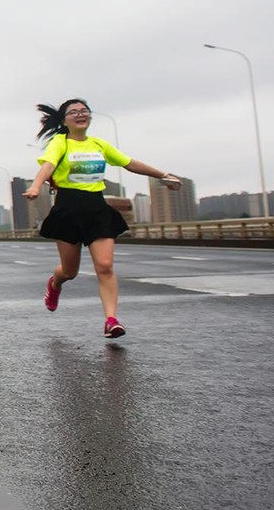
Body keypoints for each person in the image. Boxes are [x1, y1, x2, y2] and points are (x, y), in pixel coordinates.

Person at [22, 99, 181, 338]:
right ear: (64, 120)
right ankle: (55, 284)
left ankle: (111, 320)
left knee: (105, 266)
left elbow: (129, 163)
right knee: (69, 271)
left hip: (97, 208)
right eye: (73, 112)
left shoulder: (99, 144)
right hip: (68, 210)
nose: (80, 115)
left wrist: (163, 175)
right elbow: (48, 165)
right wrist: (35, 186)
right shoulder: (60, 142)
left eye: (84, 111)